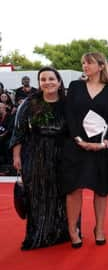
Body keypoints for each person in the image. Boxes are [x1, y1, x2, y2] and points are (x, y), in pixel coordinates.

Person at [61, 52, 108, 248]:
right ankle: (73, 230)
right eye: (83, 63)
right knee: (73, 189)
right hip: (76, 145)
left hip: (101, 147)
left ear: (101, 66)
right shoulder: (75, 86)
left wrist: (104, 142)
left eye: (89, 63)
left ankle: (100, 229)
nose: (85, 66)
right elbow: (69, 115)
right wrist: (78, 139)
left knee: (101, 189)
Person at [10, 68, 71, 250]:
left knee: (60, 196)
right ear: (39, 83)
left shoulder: (68, 104)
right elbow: (19, 132)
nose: (47, 82)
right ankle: (38, 234)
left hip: (61, 156)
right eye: (43, 79)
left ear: (59, 82)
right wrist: (16, 156)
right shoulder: (30, 103)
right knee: (37, 196)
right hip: (35, 155)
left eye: (51, 78)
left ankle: (62, 233)